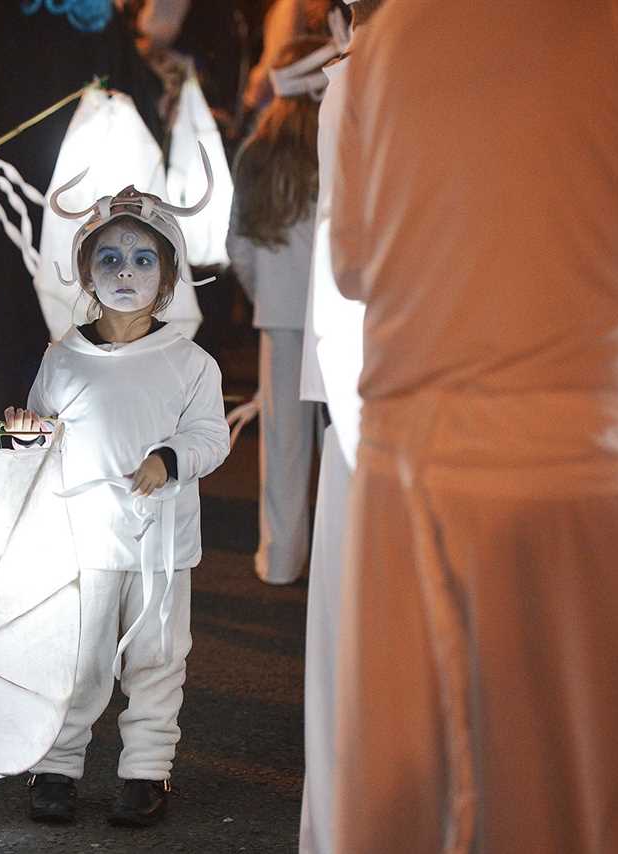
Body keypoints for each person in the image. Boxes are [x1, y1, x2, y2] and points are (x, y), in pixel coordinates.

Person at [329, 1, 618, 851]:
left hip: (405, 482)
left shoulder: (390, 34)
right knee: (585, 797)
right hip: (580, 472)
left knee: (416, 800)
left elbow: (354, 264)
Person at [6, 176, 229, 827]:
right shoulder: (64, 358)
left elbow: (210, 436)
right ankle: (56, 764)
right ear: (85, 273)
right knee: (76, 658)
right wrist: (23, 436)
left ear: (166, 279)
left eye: (142, 259)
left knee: (158, 660)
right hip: (81, 543)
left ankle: (144, 771)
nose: (124, 272)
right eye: (109, 258)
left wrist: (170, 460)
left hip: (159, 548)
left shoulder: (191, 363)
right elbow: (41, 435)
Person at [0, 0, 163, 484]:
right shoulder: (96, 22)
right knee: (80, 369)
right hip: (80, 233)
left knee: (0, 377)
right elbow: (143, 116)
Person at [293, 3, 378, 852]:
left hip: (378, 381)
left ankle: (342, 825)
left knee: (352, 622)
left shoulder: (358, 81)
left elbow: (346, 250)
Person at [228, 36, 331, 585]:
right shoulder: (341, 140)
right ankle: (343, 566)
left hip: (280, 315)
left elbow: (238, 245)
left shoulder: (255, 153)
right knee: (342, 445)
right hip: (339, 316)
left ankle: (281, 561)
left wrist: (262, 290)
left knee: (284, 450)